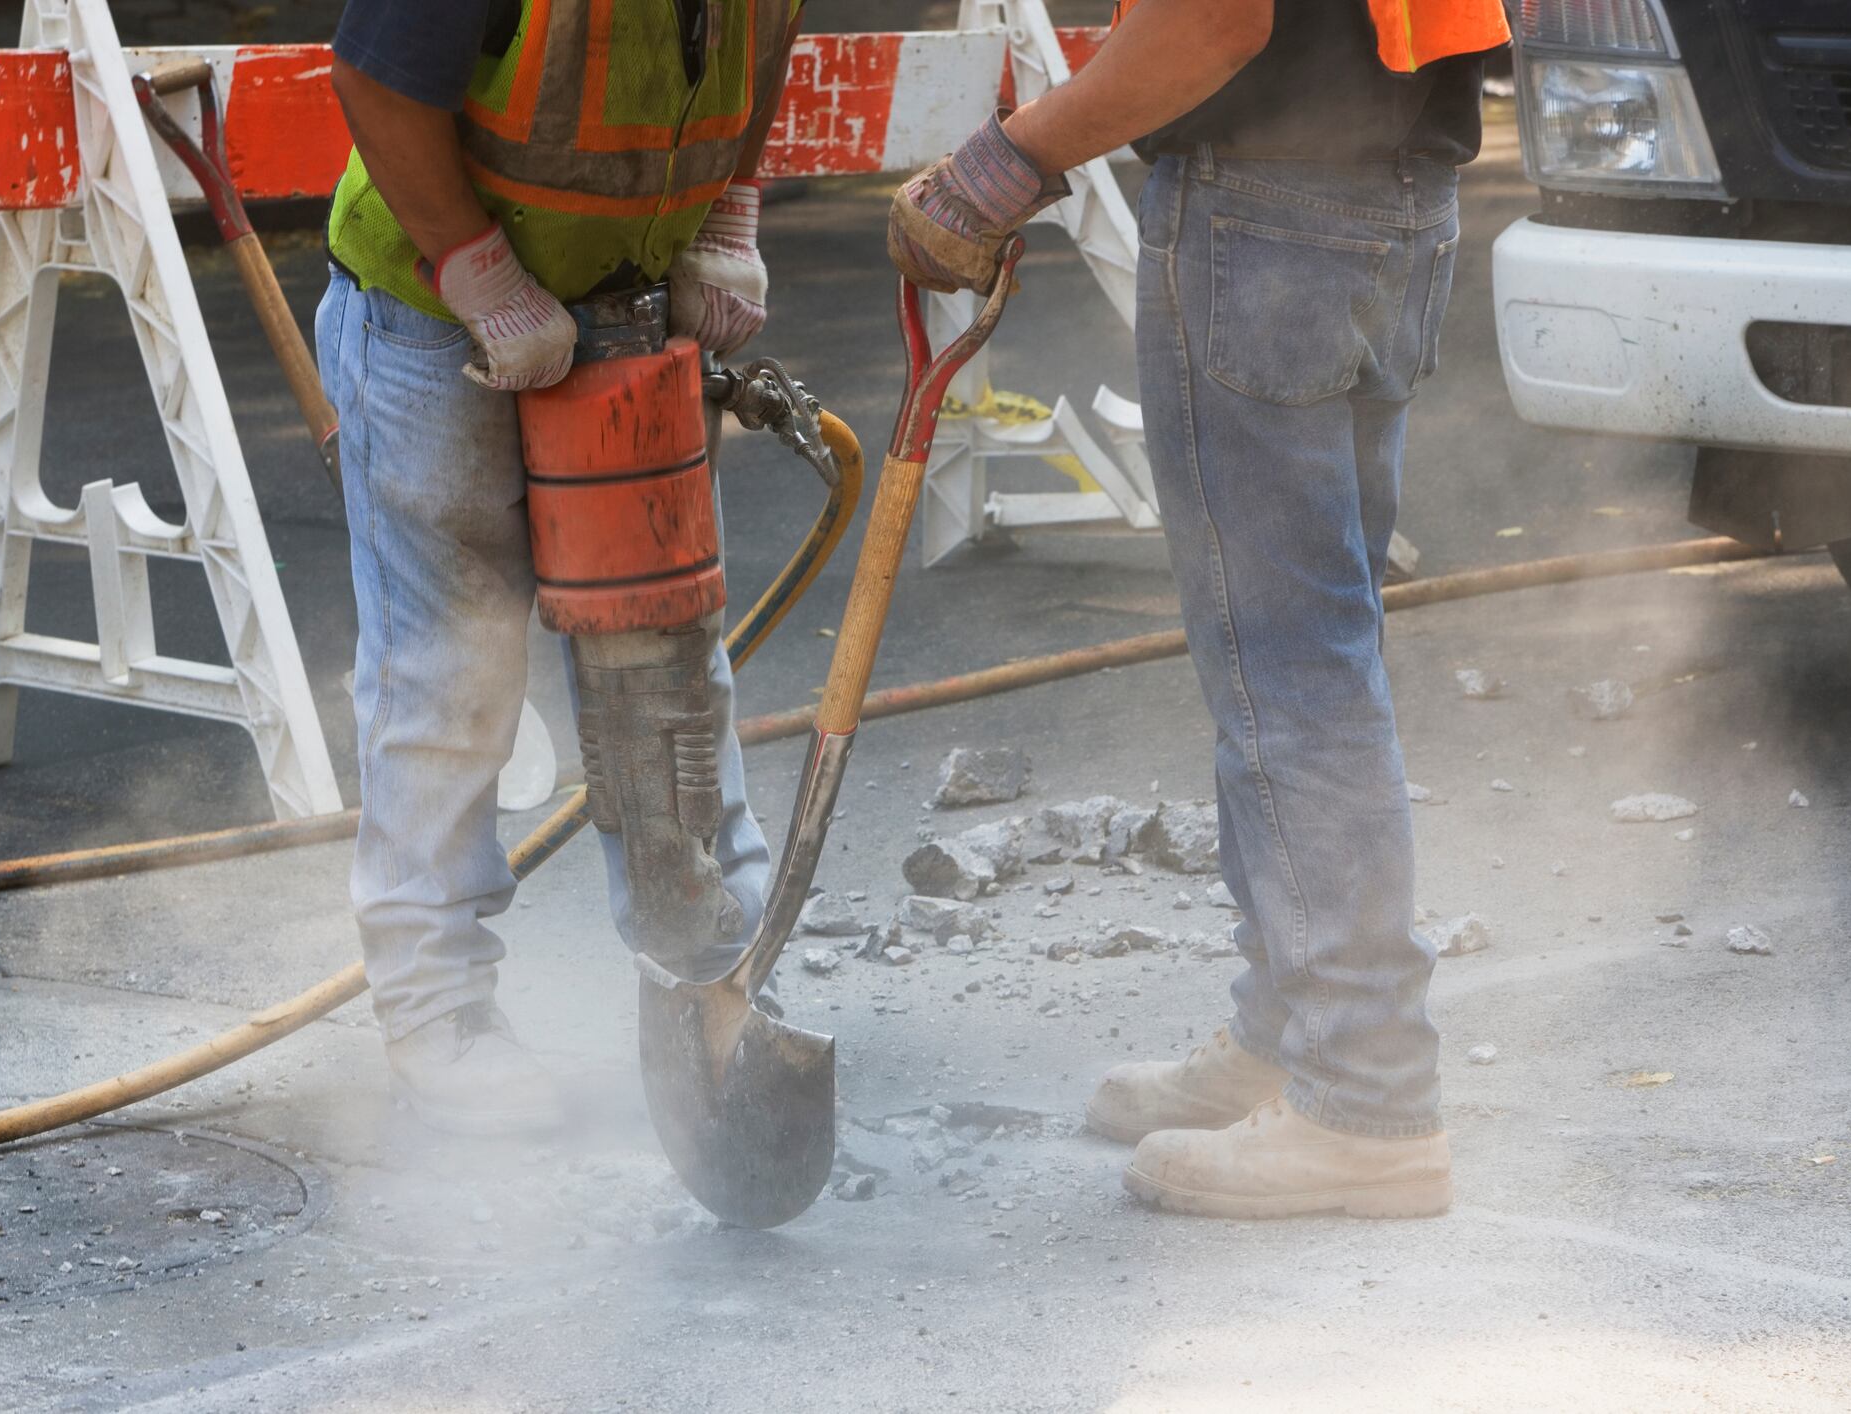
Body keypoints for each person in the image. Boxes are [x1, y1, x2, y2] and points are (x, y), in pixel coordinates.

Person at [888, 0, 1508, 1219]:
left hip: (1266, 218)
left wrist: (1005, 163)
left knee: (1290, 665)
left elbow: (1213, 23)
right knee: (1314, 641)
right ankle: (1290, 1029)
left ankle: (1362, 1096)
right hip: (1393, 198)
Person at [318, 0, 802, 1135]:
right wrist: (479, 274)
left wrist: (729, 206)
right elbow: (378, 81)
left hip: (620, 306)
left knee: (668, 662)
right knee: (453, 675)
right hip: (435, 317)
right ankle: (440, 1014)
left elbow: (763, 38)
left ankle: (714, 981)